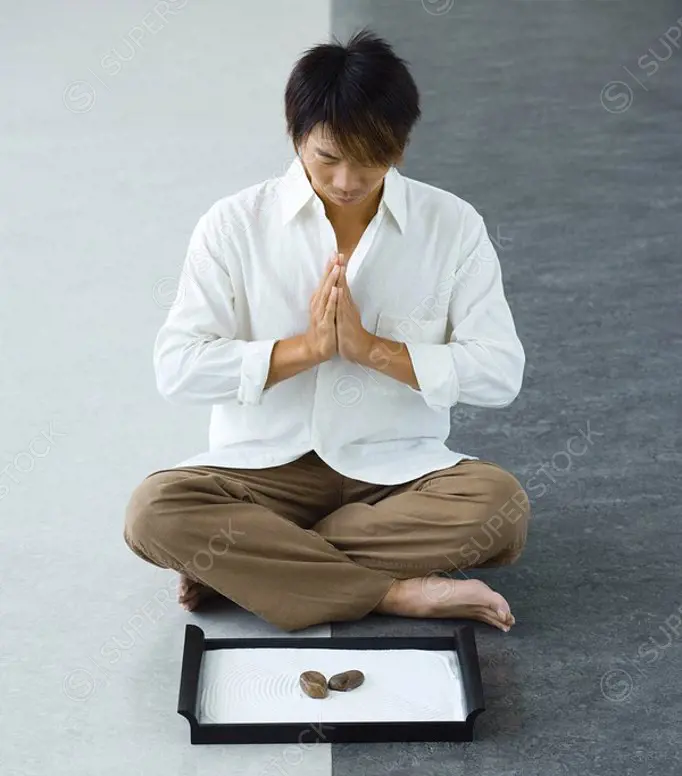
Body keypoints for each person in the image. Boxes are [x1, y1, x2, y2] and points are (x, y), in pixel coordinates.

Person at [123, 28, 530, 633]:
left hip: (395, 475)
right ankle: (394, 593)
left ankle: (255, 567)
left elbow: (500, 373)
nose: (346, 180)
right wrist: (307, 350)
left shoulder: (452, 225)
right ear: (296, 138)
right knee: (154, 512)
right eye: (328, 157)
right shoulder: (234, 224)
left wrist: (372, 351)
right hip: (260, 473)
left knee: (501, 508)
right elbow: (177, 367)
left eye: (371, 158)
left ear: (403, 143)